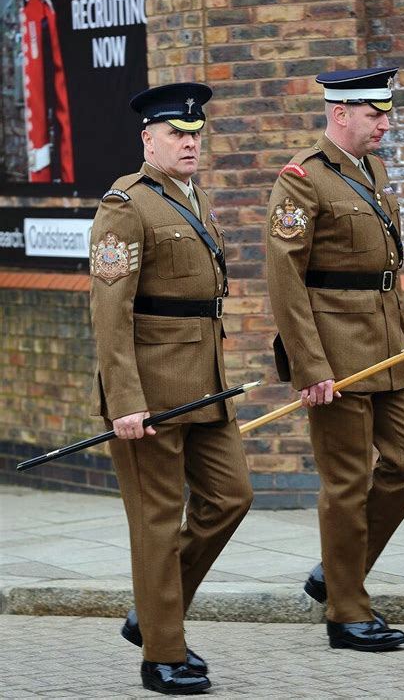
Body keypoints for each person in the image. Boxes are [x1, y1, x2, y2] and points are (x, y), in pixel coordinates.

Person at [89, 82, 253, 694]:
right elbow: (111, 312)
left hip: (205, 385)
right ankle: (163, 653)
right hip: (151, 394)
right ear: (147, 140)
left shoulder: (193, 199)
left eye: (194, 134)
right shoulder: (126, 205)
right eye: (176, 135)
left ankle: (152, 610)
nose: (188, 143)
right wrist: (124, 401)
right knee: (158, 520)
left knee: (231, 497)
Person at [266, 67, 404, 652]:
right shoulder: (301, 179)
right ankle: (346, 611)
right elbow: (286, 281)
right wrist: (309, 367)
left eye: (385, 113)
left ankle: (335, 572)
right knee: (346, 481)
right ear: (341, 113)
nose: (384, 124)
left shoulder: (373, 168)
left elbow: (384, 268)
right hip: (337, 357)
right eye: (374, 114)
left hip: (390, 344)